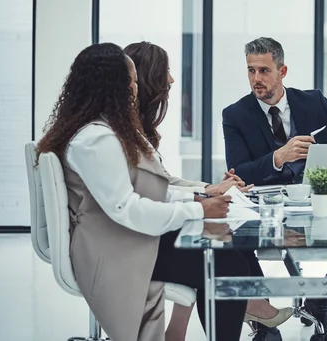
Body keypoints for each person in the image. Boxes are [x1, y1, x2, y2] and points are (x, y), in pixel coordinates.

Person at [35, 42, 251, 341]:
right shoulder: (96, 139)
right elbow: (128, 208)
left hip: (121, 240)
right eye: (132, 81)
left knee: (224, 254)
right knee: (226, 263)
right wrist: (199, 209)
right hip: (114, 251)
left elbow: (150, 189)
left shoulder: (101, 131)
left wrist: (198, 198)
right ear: (113, 86)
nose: (136, 89)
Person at [123, 41, 293, 341]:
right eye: (167, 73)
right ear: (145, 79)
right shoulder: (120, 134)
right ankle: (254, 304)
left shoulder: (132, 129)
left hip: (144, 232)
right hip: (135, 242)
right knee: (222, 256)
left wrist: (208, 190)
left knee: (222, 245)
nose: (172, 80)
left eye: (264, 70)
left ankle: (235, 310)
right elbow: (148, 192)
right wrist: (201, 201)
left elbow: (161, 181)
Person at [222, 37, 327, 341]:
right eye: (251, 71)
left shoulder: (314, 102)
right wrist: (278, 157)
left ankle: (320, 300)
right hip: (266, 208)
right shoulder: (235, 115)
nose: (257, 79)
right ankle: (263, 317)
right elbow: (239, 173)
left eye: (264, 70)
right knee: (237, 244)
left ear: (282, 71)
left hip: (318, 203)